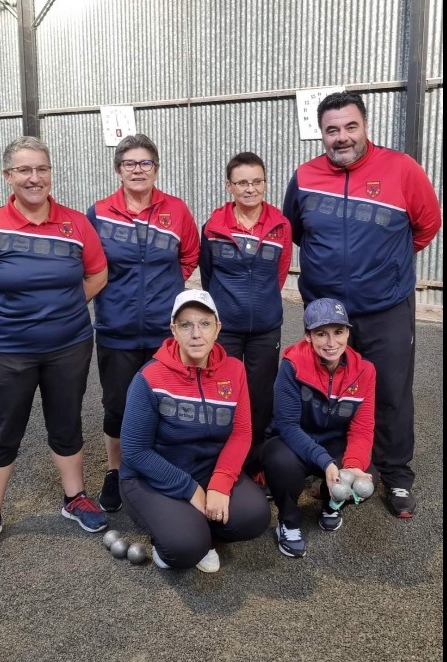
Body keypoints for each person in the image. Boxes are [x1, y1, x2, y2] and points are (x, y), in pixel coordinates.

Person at [283, 91, 441, 518]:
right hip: (326, 312)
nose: (342, 137)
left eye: (350, 126)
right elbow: (297, 231)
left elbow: (427, 225)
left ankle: (397, 475)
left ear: (365, 125)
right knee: (327, 393)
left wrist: (384, 266)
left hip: (386, 306)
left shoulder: (402, 169)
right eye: (332, 130)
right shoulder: (304, 176)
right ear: (321, 134)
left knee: (390, 390)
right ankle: (339, 468)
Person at [0, 136, 109, 559]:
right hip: (6, 349)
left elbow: (97, 274)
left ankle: (75, 498)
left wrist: (64, 308)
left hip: (69, 345)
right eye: (24, 170)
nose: (34, 178)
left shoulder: (75, 224)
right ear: (8, 176)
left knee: (66, 421)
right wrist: (8, 315)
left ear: (50, 173)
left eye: (42, 169)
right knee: (3, 429)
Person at [86, 134, 200, 513]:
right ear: (118, 170)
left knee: (167, 402)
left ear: (156, 168)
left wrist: (167, 289)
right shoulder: (99, 213)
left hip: (162, 333)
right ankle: (117, 471)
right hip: (116, 330)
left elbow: (190, 255)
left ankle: (162, 467)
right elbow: (89, 265)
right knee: (117, 405)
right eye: (130, 163)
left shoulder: (177, 210)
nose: (138, 170)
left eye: (145, 163)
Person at [119, 289, 271, 572]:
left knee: (255, 516)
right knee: (185, 548)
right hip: (151, 476)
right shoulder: (150, 377)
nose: (196, 333)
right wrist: (190, 490)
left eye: (204, 323)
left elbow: (241, 434)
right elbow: (135, 451)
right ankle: (185, 535)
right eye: (186, 325)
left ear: (218, 328)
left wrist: (219, 484)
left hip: (206, 469)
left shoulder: (235, 370)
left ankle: (195, 528)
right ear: (173, 330)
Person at [199, 152, 292, 481]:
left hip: (266, 329)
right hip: (225, 329)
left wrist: (261, 303)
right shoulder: (213, 227)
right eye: (242, 182)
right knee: (221, 391)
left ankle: (253, 464)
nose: (250, 189)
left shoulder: (281, 226)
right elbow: (208, 277)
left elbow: (278, 277)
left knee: (259, 397)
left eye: (257, 181)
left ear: (265, 183)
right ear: (229, 186)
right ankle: (218, 461)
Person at [261, 298, 378, 558]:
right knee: (279, 460)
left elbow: (362, 427)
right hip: (294, 441)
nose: (331, 342)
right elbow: (287, 425)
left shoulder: (365, 371)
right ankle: (288, 522)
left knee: (366, 478)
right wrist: (325, 463)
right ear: (307, 336)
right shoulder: (292, 366)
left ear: (348, 332)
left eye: (338, 332)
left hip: (333, 442)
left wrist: (354, 464)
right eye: (321, 334)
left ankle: (331, 501)